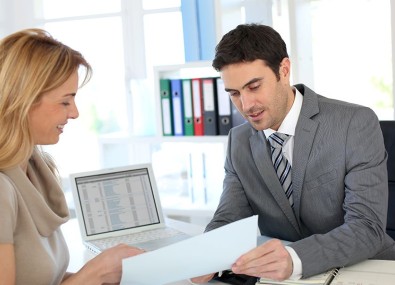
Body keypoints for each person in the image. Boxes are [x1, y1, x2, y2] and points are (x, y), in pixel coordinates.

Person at [191, 23, 395, 283]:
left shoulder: (354, 123)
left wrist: (294, 258)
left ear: (284, 71)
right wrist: (200, 257)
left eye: (254, 87)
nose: (246, 105)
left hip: (366, 271)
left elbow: (367, 227)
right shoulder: (238, 141)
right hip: (284, 279)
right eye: (234, 93)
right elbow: (228, 219)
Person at [0, 29, 144, 285]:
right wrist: (94, 273)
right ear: (24, 100)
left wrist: (102, 275)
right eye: (65, 102)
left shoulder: (35, 168)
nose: (75, 113)